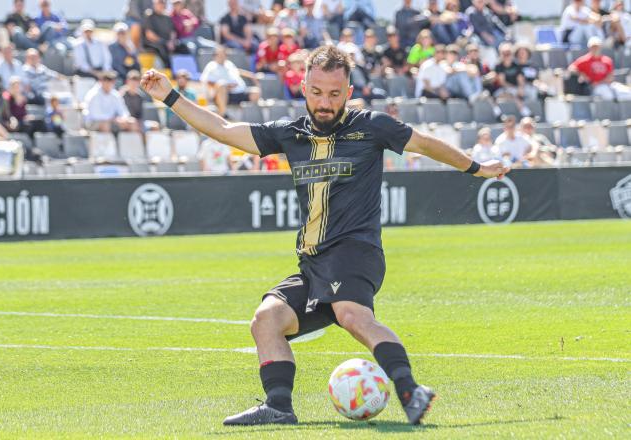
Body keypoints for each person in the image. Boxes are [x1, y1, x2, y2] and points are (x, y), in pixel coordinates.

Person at [141, 44, 509, 427]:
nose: (325, 102)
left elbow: (425, 143)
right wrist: (169, 95)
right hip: (313, 262)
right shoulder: (290, 133)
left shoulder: (372, 126)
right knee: (266, 320)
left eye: (335, 94)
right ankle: (279, 406)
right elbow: (223, 130)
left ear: (348, 93)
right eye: (317, 92)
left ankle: (409, 390)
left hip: (355, 252)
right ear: (303, 87)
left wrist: (477, 168)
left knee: (351, 314)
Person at [200, 45, 260, 117]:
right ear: (215, 56)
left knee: (256, 92)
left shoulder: (229, 63)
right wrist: (227, 86)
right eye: (220, 54)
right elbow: (207, 82)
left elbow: (237, 71)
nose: (222, 56)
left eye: (224, 54)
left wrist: (251, 75)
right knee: (221, 85)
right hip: (223, 94)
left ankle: (250, 117)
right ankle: (223, 114)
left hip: (239, 92)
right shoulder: (211, 66)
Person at [569, 36, 631, 101]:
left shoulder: (607, 60)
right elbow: (571, 68)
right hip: (594, 87)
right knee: (609, 96)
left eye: (596, 46)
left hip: (609, 84)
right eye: (593, 47)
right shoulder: (584, 60)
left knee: (627, 93)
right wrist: (582, 74)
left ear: (600, 47)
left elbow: (610, 76)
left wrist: (601, 82)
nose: (595, 49)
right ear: (589, 48)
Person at [143, 0, 177, 68]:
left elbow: (173, 32)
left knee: (183, 48)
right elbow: (149, 34)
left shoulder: (167, 17)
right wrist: (164, 42)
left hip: (168, 43)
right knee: (162, 48)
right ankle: (167, 69)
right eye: (159, 3)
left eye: (162, 3)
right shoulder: (149, 16)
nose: (161, 5)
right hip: (153, 43)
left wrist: (171, 41)